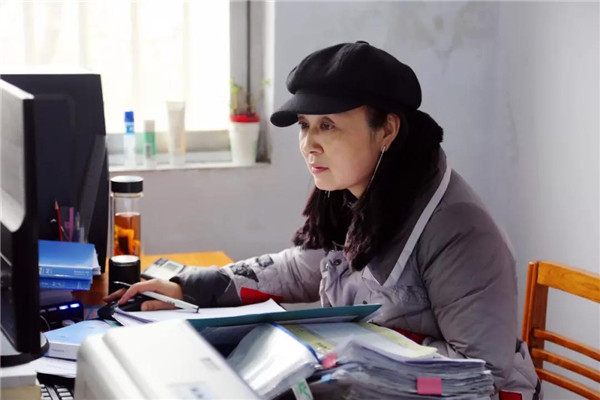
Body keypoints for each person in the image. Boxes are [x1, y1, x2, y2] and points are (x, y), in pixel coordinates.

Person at [105, 41, 541, 399]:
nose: (308, 144)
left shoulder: (458, 230)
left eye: (328, 126)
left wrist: (358, 357)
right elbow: (300, 268)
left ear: (387, 130)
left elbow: (478, 374)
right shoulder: (358, 197)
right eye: (304, 125)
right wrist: (189, 287)